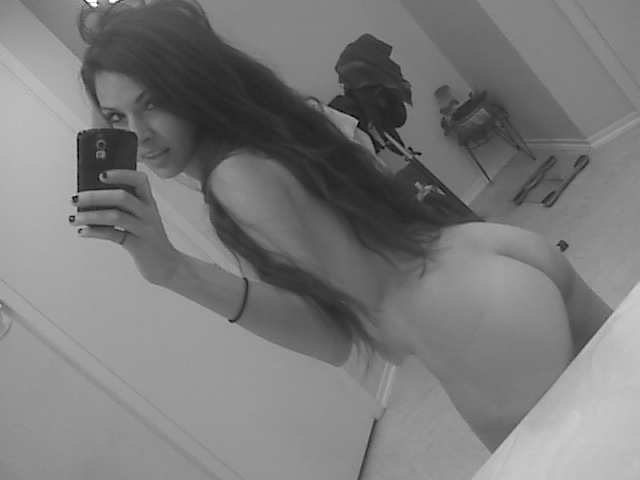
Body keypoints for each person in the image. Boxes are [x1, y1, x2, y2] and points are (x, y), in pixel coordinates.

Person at [69, 0, 612, 451]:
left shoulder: (234, 179)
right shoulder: (275, 125)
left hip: (473, 322)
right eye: (116, 118)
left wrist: (173, 270)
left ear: (192, 85)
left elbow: (333, 336)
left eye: (154, 102)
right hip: (493, 252)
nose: (138, 133)